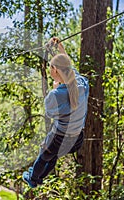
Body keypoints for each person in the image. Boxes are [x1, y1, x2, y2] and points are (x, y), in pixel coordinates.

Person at [22, 37, 89, 188]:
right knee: (54, 155)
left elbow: (50, 113)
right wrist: (60, 48)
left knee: (44, 155)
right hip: (76, 139)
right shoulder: (82, 84)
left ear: (55, 71)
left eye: (51, 68)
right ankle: (41, 177)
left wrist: (54, 88)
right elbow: (70, 69)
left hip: (59, 137)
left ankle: (33, 178)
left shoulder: (55, 95)